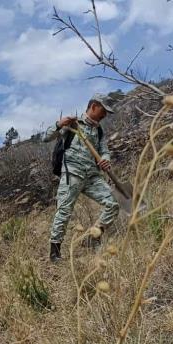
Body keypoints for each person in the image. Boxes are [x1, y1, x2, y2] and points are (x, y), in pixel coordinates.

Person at [44, 93, 119, 262]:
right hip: (72, 174)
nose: (104, 115)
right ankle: (55, 252)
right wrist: (58, 124)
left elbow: (104, 150)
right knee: (64, 211)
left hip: (92, 177)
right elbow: (45, 137)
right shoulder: (73, 124)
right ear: (93, 106)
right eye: (103, 110)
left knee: (114, 203)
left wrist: (105, 159)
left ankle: (93, 237)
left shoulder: (99, 130)